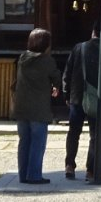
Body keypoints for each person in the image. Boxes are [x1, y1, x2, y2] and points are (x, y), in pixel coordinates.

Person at [13, 29, 59, 185]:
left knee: (24, 141)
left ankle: (23, 175)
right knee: (37, 143)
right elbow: (56, 77)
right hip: (39, 108)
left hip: (21, 106)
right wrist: (56, 86)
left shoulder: (22, 58)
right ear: (46, 44)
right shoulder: (47, 61)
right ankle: (34, 175)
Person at [63, 27, 99, 180]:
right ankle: (91, 169)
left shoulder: (79, 48)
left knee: (73, 132)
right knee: (95, 134)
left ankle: (70, 165)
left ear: (92, 32)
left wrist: (66, 92)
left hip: (77, 96)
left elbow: (68, 71)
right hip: (97, 98)